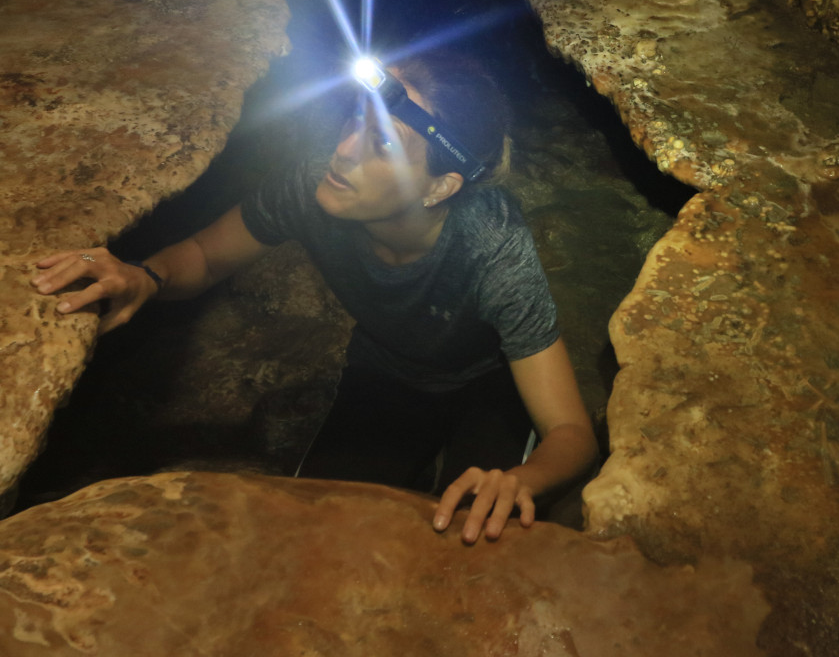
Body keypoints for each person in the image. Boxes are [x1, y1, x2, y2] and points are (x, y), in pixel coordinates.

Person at [30, 48, 598, 544]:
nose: (345, 151)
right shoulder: (311, 187)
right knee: (318, 532)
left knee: (480, 536)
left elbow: (572, 435)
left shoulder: (493, 248)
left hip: (487, 384)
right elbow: (204, 256)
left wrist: (521, 481)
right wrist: (143, 276)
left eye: (381, 143)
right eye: (355, 119)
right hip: (387, 370)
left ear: (441, 187)